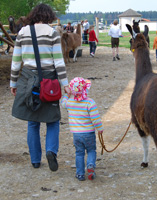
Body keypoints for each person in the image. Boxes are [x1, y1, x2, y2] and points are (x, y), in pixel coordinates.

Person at [10, 3, 71, 171]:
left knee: (33, 121)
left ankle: (35, 160)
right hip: (49, 81)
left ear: (34, 16)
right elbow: (59, 62)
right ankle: (51, 151)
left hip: (28, 79)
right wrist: (65, 84)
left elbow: (16, 62)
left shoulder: (22, 32)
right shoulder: (52, 33)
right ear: (49, 16)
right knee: (53, 120)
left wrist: (13, 83)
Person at [61, 77, 103, 181]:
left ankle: (80, 173)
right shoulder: (89, 103)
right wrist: (100, 128)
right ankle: (90, 166)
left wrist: (67, 94)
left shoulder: (70, 103)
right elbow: (95, 118)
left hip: (76, 134)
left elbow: (63, 103)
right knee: (91, 150)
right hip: (89, 133)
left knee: (79, 153)